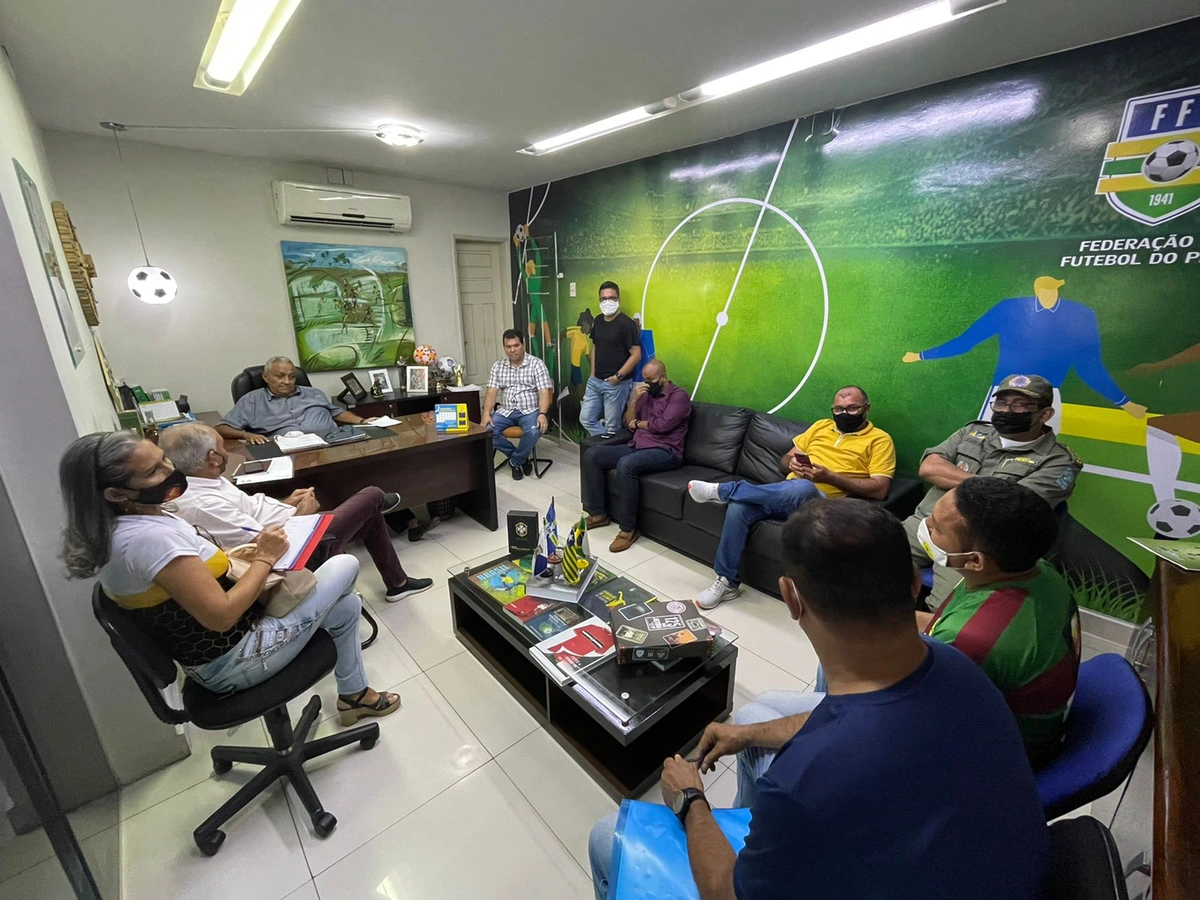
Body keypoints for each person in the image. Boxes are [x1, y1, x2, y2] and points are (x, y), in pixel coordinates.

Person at [587, 501, 1049, 900]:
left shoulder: (808, 782)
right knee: (753, 721)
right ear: (913, 584)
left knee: (607, 835)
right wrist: (748, 733)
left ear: (791, 598)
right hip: (961, 866)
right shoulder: (957, 663)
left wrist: (690, 800)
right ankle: (757, 834)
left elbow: (727, 892)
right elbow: (847, 717)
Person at [60, 432, 401, 724]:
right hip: (233, 660)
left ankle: (354, 695)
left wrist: (240, 557)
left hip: (221, 649)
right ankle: (354, 691)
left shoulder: (128, 523)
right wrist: (265, 558)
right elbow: (221, 616)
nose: (171, 471)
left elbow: (195, 573)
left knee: (346, 607)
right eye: (154, 472)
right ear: (117, 494)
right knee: (343, 565)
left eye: (165, 460)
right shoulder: (147, 540)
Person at [159, 424, 434, 601]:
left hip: (287, 526)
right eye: (221, 450)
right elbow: (264, 546)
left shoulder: (205, 478)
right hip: (293, 551)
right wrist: (300, 517)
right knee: (372, 495)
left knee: (371, 516)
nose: (226, 454)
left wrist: (288, 502)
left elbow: (252, 509)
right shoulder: (201, 505)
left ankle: (397, 583)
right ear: (211, 458)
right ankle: (383, 504)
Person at [915, 476, 1080, 765]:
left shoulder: (970, 640)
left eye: (937, 528)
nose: (926, 524)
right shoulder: (1037, 571)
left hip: (1001, 753)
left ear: (974, 561)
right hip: (1018, 709)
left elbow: (921, 715)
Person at [687, 386, 896, 610]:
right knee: (740, 508)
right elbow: (784, 461)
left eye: (852, 409)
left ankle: (725, 491)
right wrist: (792, 463)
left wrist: (829, 476)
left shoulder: (880, 440)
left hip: (826, 505)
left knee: (805, 487)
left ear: (866, 408)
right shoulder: (821, 426)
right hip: (786, 492)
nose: (844, 414)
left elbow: (880, 489)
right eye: (839, 409)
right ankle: (727, 583)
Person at [904, 374, 1083, 608]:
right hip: (923, 523)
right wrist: (988, 488)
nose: (1007, 410)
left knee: (947, 610)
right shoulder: (972, 433)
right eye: (1001, 403)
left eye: (1020, 405)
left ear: (1045, 414)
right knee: (859, 564)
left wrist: (955, 478)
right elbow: (929, 467)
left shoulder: (1059, 461)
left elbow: (1010, 506)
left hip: (974, 548)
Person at [903, 275, 1146, 432]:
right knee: (984, 446)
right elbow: (967, 341)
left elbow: (1090, 366)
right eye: (1044, 289)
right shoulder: (1009, 308)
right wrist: (921, 355)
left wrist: (1125, 402)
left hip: (1049, 396)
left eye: (1053, 289)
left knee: (1038, 454)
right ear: (1035, 289)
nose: (1049, 293)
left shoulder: (1080, 314)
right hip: (1003, 392)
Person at [582, 359, 690, 552]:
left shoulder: (678, 396)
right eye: (645, 380)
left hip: (666, 451)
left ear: (663, 377)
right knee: (593, 454)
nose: (647, 384)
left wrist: (639, 424)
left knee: (626, 464)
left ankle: (628, 530)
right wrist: (633, 400)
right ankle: (598, 514)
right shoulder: (646, 394)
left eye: (651, 380)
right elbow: (628, 422)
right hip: (638, 445)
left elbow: (662, 425)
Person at [216, 356, 381, 443]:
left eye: (292, 376)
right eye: (280, 376)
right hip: (285, 451)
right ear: (266, 377)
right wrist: (246, 435)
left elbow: (337, 413)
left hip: (331, 443)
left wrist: (363, 421)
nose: (287, 381)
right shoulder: (251, 400)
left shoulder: (314, 393)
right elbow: (222, 428)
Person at [480, 329, 553, 481]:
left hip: (530, 410)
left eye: (516, 345)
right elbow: (492, 392)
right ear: (504, 347)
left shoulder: (536, 364)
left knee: (533, 431)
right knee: (486, 430)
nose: (512, 350)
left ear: (523, 345)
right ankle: (521, 459)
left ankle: (515, 461)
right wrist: (486, 413)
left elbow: (544, 392)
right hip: (506, 410)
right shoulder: (498, 366)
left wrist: (542, 414)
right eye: (508, 346)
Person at [579, 282, 641, 437]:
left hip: (616, 384)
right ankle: (605, 446)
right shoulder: (598, 321)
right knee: (586, 419)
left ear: (618, 299)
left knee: (612, 427)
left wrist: (618, 377)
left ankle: (611, 457)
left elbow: (636, 354)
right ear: (599, 301)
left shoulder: (626, 324)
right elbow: (595, 346)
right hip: (595, 381)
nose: (607, 302)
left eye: (612, 298)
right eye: (604, 298)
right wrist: (592, 373)